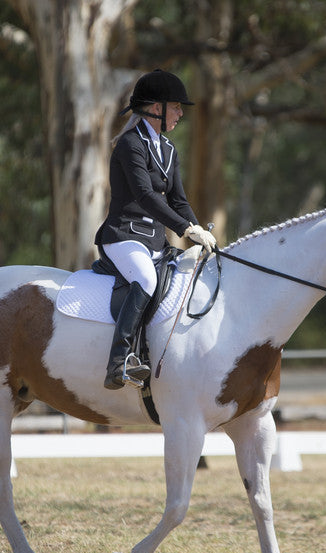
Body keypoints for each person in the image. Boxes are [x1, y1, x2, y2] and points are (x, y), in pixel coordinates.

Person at [96, 69, 217, 390]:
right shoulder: (129, 145)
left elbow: (178, 200)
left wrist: (198, 231)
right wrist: (185, 229)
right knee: (146, 279)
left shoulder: (169, 150)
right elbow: (144, 195)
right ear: (155, 108)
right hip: (123, 237)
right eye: (175, 106)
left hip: (155, 241)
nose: (180, 113)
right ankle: (118, 362)